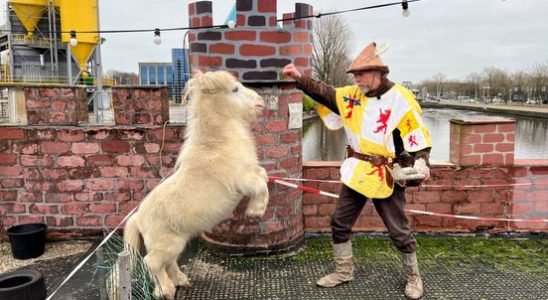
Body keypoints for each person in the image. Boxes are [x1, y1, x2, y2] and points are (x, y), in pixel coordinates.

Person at [282, 42, 432, 299]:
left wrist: (422, 161)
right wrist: (299, 79)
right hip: (357, 170)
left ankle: (413, 276)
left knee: (399, 230)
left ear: (377, 72)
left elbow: (415, 133)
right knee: (339, 222)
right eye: (354, 74)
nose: (356, 78)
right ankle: (343, 271)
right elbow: (325, 93)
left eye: (361, 73)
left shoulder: (400, 98)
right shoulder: (352, 96)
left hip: (386, 172)